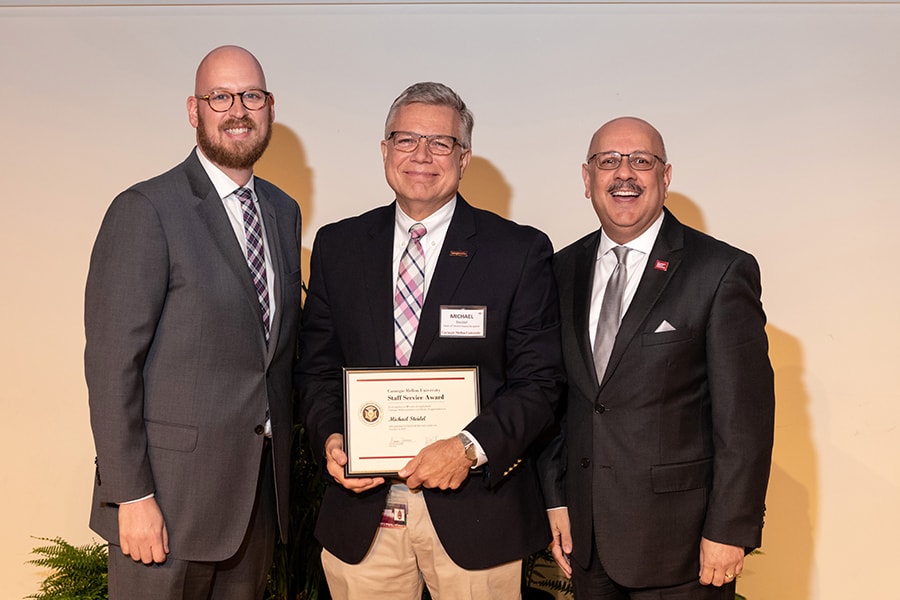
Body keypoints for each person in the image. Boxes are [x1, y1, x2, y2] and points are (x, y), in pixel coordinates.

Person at [296, 81, 564, 599]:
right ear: (384, 150)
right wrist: (331, 438)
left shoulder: (518, 251)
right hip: (362, 515)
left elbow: (541, 383)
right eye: (405, 140)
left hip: (476, 515)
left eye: (440, 143)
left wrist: (468, 448)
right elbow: (317, 370)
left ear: (464, 158)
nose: (422, 155)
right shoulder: (338, 246)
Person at [84, 45, 302, 599]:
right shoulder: (145, 209)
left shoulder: (281, 211)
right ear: (193, 109)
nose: (238, 110)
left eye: (251, 96)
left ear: (270, 106)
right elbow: (112, 368)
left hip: (253, 506)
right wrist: (130, 498)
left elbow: (271, 357)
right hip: (164, 511)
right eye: (220, 96)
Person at [538, 117, 775, 599]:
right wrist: (555, 498)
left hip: (682, 548)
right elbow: (554, 398)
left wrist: (730, 529)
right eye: (608, 161)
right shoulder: (560, 271)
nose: (624, 174)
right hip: (587, 542)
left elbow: (744, 418)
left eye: (641, 161)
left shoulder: (720, 270)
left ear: (665, 177)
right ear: (587, 180)